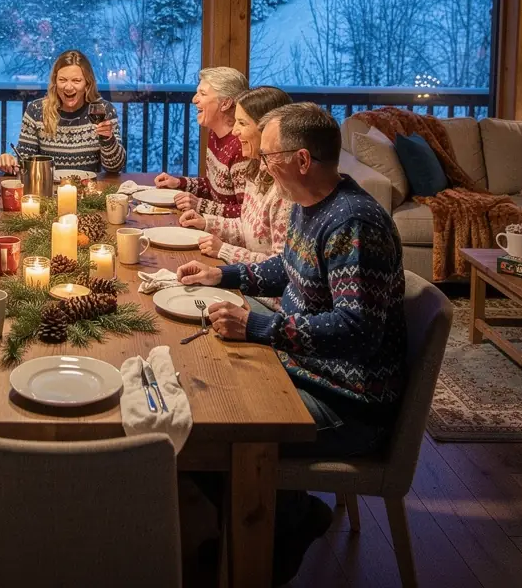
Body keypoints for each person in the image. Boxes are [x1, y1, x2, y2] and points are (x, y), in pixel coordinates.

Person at [176, 102, 406, 585]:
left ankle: (273, 537)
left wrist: (261, 328)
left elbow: (358, 330)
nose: (261, 167)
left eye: (269, 157)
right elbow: (287, 267)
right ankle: (285, 513)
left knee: (205, 431)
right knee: (195, 375)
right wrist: (224, 275)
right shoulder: (311, 203)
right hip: (305, 366)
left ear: (302, 160)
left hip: (348, 401)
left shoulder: (353, 223)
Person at [179, 86, 292, 276]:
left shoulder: (286, 192)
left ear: (268, 130)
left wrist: (225, 250)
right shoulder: (256, 171)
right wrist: (207, 223)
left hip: (259, 290)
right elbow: (246, 229)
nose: (235, 131)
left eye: (242, 123)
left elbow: (281, 268)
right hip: (244, 276)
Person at [0, 49, 125, 175]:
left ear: (87, 84)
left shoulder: (103, 110)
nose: (68, 87)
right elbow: (23, 161)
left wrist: (108, 139)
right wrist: (9, 161)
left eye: (76, 81)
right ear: (55, 82)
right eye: (62, 80)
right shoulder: (36, 110)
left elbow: (115, 167)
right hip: (47, 187)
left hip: (89, 188)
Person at [154, 66, 248, 216]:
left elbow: (247, 214)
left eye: (202, 94)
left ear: (225, 103)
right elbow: (213, 187)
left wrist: (200, 205)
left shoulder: (241, 147)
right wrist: (179, 183)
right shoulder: (215, 135)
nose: (194, 99)